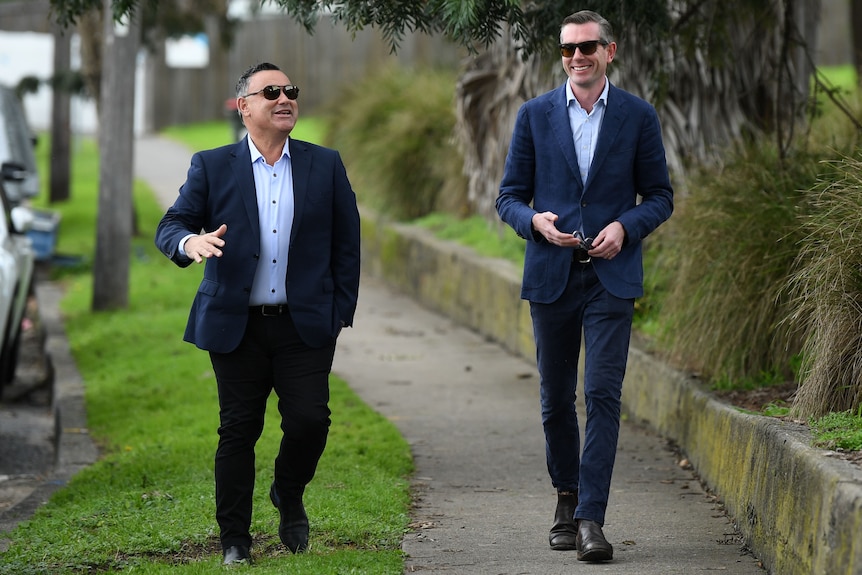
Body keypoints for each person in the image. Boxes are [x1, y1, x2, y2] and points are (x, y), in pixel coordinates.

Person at [155, 62, 361, 565]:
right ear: (244, 106)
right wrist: (191, 240)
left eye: (290, 89)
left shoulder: (325, 164)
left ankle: (288, 493)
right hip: (235, 325)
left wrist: (339, 313)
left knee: (310, 422)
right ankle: (235, 541)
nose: (284, 97)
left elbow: (347, 245)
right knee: (238, 430)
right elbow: (171, 224)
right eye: (270, 91)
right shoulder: (213, 165)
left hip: (304, 325)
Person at [496, 10, 673, 563]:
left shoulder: (639, 117)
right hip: (551, 276)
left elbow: (661, 197)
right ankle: (565, 498)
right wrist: (536, 224)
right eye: (569, 49)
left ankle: (591, 518)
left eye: (588, 47)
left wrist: (626, 226)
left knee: (601, 393)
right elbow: (509, 197)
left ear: (609, 51)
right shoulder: (534, 115)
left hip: (610, 279)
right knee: (555, 401)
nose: (577, 57)